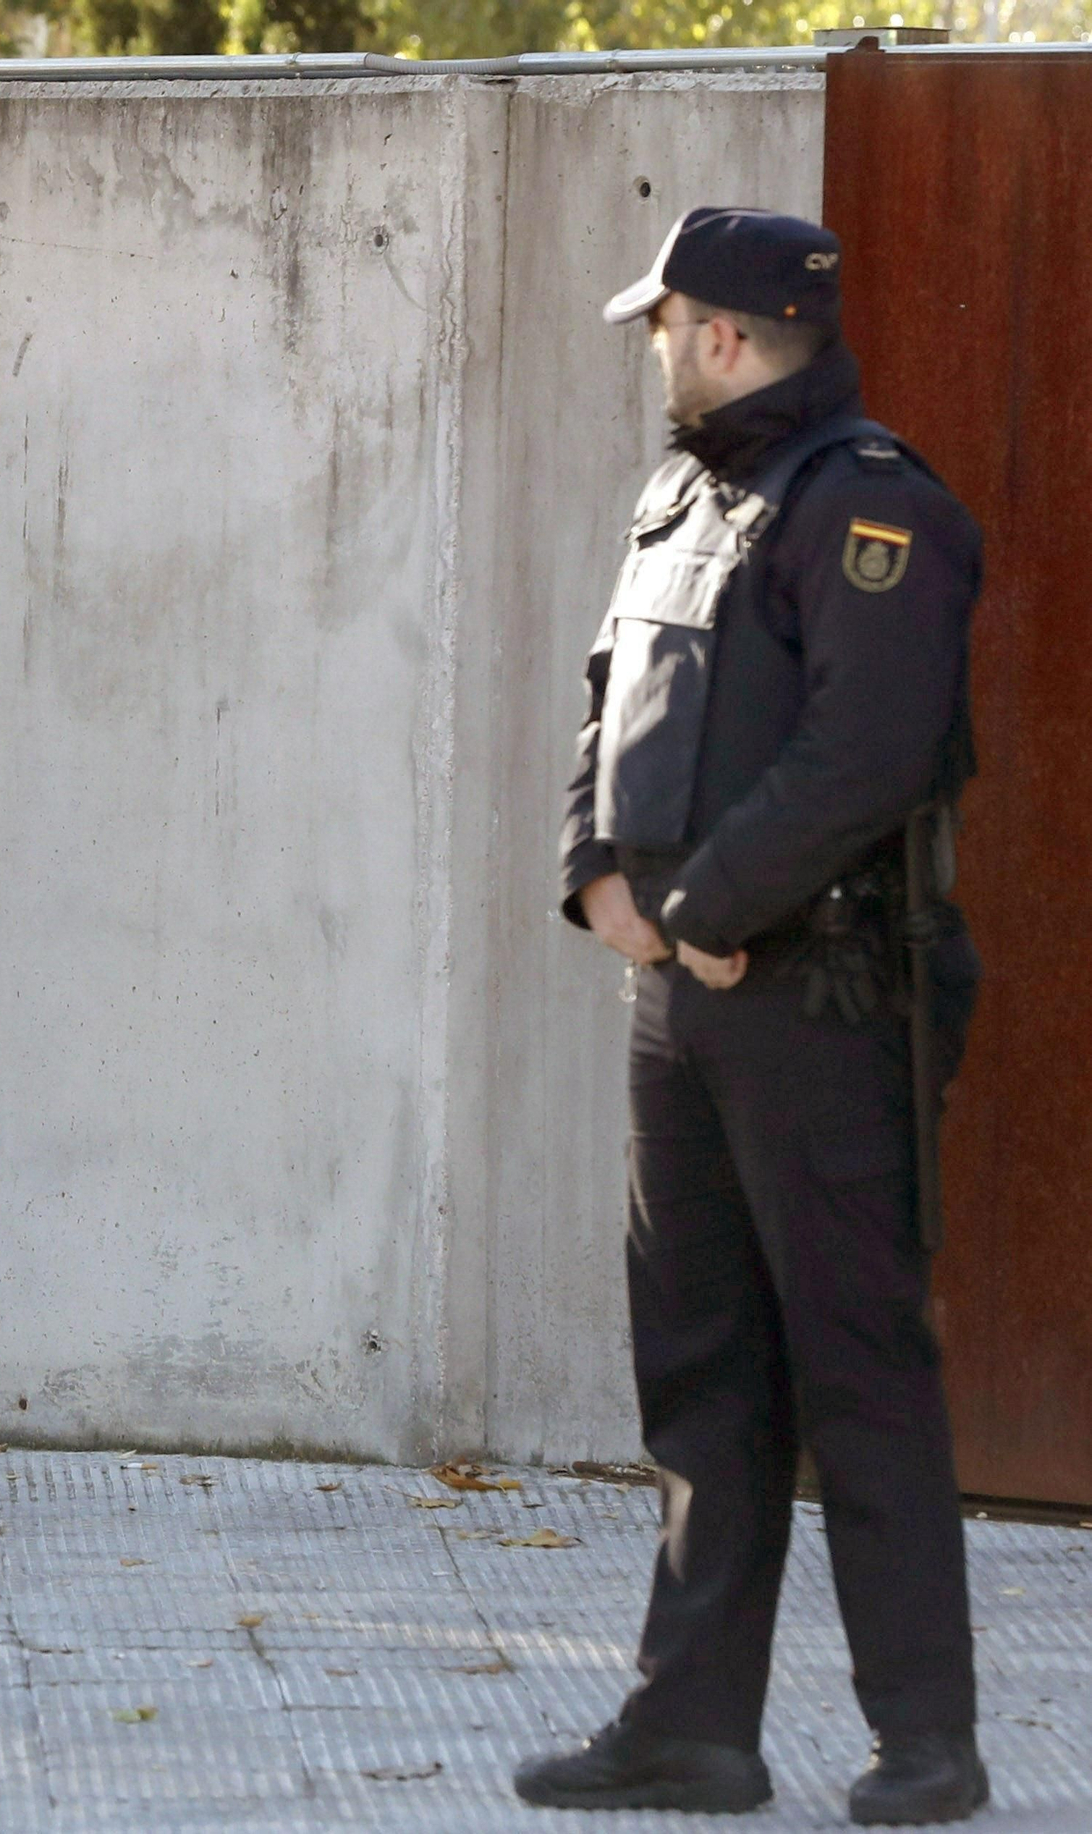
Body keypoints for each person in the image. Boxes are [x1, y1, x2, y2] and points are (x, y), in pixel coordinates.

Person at [513, 210, 987, 1824]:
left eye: (663, 325)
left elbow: (870, 752)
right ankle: (688, 1727)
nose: (653, 348)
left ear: (720, 334)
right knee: (700, 1367)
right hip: (682, 997)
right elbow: (609, 702)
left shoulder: (872, 506)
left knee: (858, 1366)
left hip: (827, 995)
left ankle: (927, 1736)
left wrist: (706, 907)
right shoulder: (683, 494)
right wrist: (599, 879)